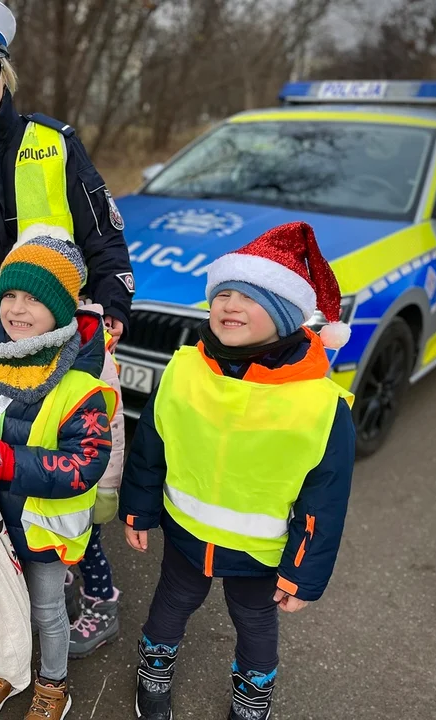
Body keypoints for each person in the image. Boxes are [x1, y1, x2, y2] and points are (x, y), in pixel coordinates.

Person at [119, 222, 357, 720]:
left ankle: (252, 695)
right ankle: (154, 670)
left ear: (287, 315)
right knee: (171, 605)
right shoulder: (184, 370)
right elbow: (152, 447)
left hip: (260, 553)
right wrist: (139, 510)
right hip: (185, 533)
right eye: (222, 292)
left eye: (250, 297)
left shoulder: (320, 405)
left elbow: (325, 498)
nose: (228, 304)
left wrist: (303, 572)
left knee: (255, 623)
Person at [0, 230, 115, 720]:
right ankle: (6, 664)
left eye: (34, 299)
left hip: (43, 524)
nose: (17, 309)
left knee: (47, 608)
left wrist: (3, 461)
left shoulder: (80, 384)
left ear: (62, 309)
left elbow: (85, 463)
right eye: (10, 296)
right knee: (0, 600)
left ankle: (53, 683)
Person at [0, 0, 134, 347]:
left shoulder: (56, 142)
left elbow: (103, 234)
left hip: (64, 330)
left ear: (5, 74)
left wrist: (113, 302)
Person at [65, 299, 125, 658]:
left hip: (87, 478)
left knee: (88, 546)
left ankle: (102, 607)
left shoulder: (93, 351)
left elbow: (113, 425)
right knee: (57, 541)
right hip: (51, 475)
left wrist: (107, 486)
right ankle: (64, 594)